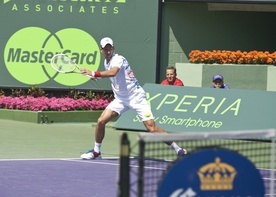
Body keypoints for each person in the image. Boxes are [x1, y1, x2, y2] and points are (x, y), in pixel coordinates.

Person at [79, 37, 187, 159]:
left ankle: (178, 149)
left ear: (113, 48)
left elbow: (113, 72)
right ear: (101, 50)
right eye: (106, 49)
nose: (108, 51)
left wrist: (94, 73)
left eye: (110, 48)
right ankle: (96, 152)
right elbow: (114, 78)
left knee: (152, 128)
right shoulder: (106, 62)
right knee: (101, 121)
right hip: (121, 99)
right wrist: (95, 77)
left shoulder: (118, 59)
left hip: (136, 97)